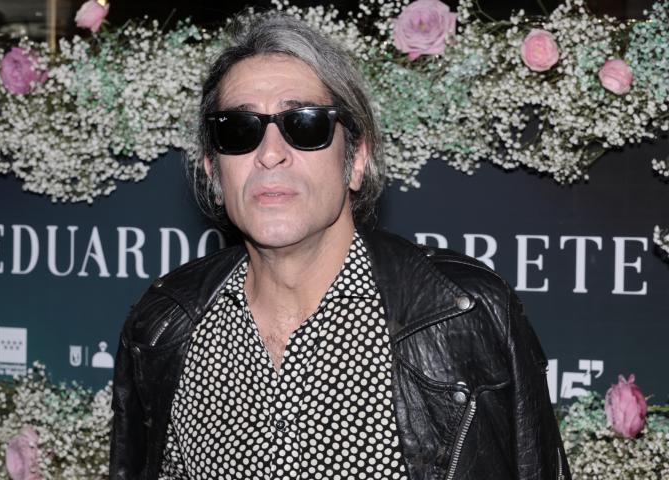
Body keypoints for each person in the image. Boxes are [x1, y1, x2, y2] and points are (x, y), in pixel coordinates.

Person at [109, 12, 571, 480]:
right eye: (239, 130)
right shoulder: (164, 328)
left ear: (357, 159)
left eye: (305, 124)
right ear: (213, 171)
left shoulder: (465, 317)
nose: (270, 154)